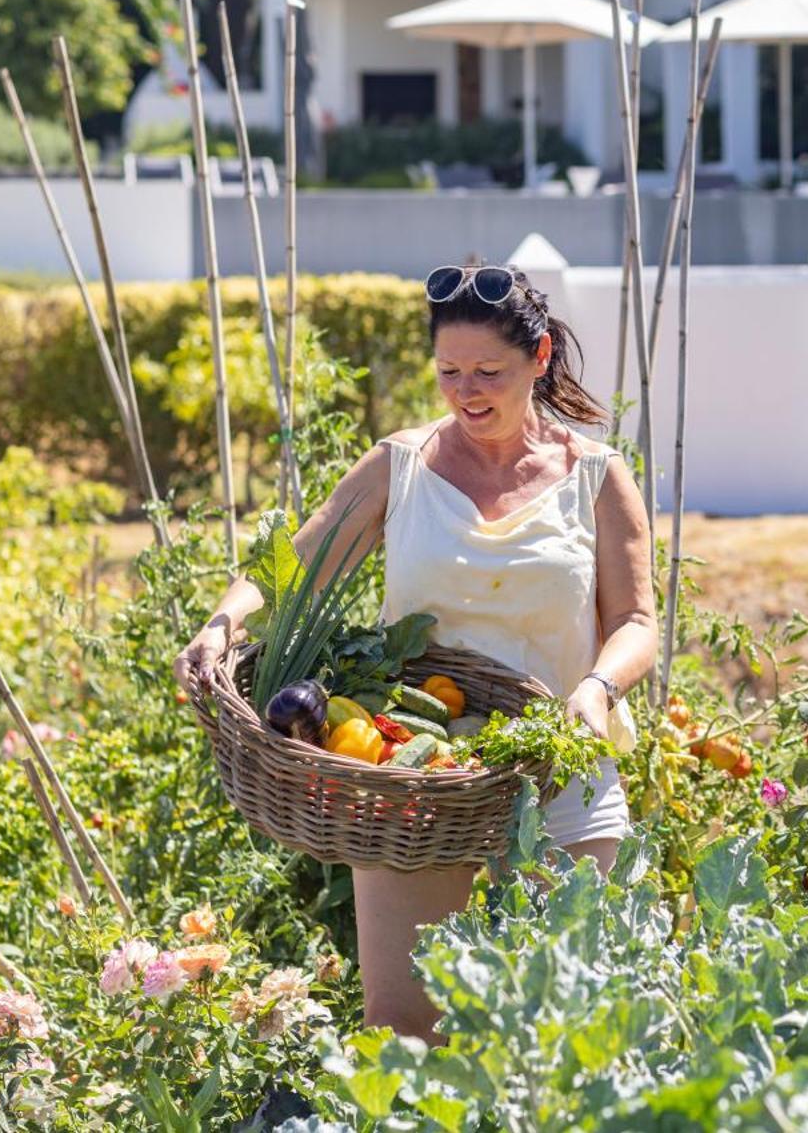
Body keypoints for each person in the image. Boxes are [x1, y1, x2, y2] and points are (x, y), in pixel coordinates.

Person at [173, 264, 656, 1038]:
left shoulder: (595, 477)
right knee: (407, 1037)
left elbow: (636, 620)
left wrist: (598, 686)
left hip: (563, 777)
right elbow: (293, 565)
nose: (467, 390)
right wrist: (221, 623)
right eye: (449, 371)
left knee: (564, 1033)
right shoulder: (400, 465)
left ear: (538, 356)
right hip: (418, 790)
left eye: (488, 371)